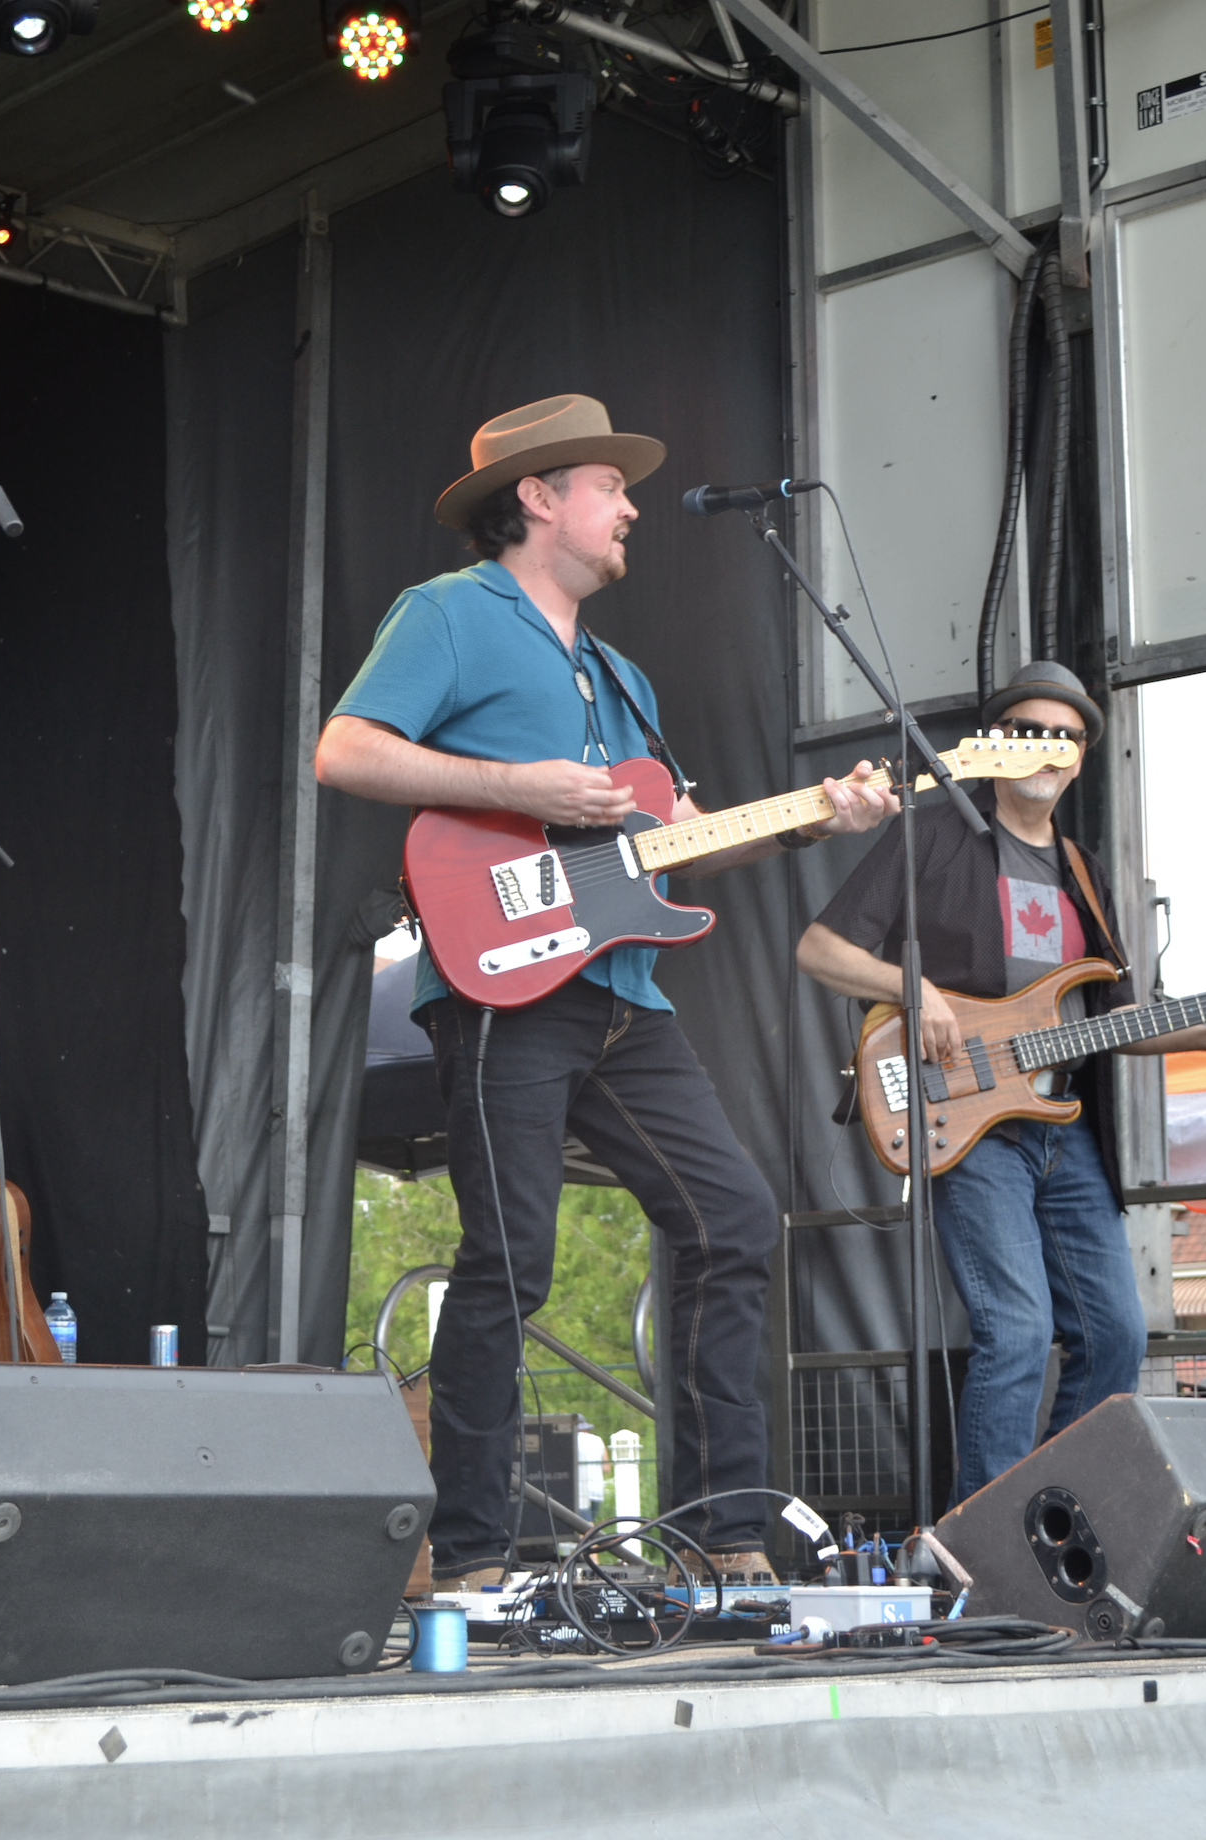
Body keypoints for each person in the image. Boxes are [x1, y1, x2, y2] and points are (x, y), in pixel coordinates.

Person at [315, 395, 899, 1589]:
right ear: (536, 498)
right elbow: (345, 749)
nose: (631, 507)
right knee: (510, 1260)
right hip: (500, 986)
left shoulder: (619, 673)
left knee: (730, 1216)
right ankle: (471, 1549)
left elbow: (679, 837)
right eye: (608, 486)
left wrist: (810, 823)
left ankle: (719, 1524)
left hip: (626, 992)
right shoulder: (448, 613)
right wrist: (514, 780)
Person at [795, 660, 1206, 1503]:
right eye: (1026, 730)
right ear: (995, 745)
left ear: (1083, 755)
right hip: (967, 1123)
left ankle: (1047, 1510)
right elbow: (820, 950)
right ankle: (986, 1545)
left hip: (1062, 1129)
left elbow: (1124, 1022)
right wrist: (917, 991)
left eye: (1065, 735)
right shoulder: (936, 833)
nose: (1045, 747)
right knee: (1015, 1332)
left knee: (1118, 1336)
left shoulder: (1083, 871)